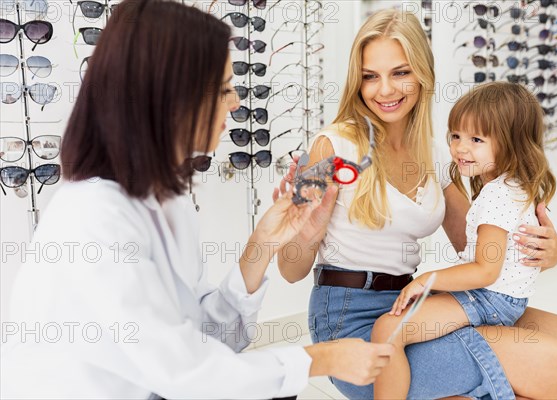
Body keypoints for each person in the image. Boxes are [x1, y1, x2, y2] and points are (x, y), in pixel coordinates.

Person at [0, 1, 396, 399]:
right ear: (171, 97)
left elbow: (208, 337)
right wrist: (320, 359)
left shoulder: (168, 202)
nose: (237, 102)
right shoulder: (93, 219)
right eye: (224, 89)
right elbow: (186, 373)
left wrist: (262, 244)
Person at [276, 9, 557, 399]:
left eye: (400, 72)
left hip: (412, 302)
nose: (385, 90)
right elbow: (290, 271)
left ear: (423, 74)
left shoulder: (432, 153)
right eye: (370, 76)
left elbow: (480, 248)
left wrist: (551, 251)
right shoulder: (333, 146)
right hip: (350, 318)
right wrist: (307, 233)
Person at [372, 82, 557, 399]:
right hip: (504, 299)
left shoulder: (497, 194)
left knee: (388, 329)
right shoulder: (512, 187)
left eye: (476, 139)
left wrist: (428, 280)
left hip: (490, 298)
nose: (460, 148)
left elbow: (486, 270)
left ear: (511, 143)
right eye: (456, 136)